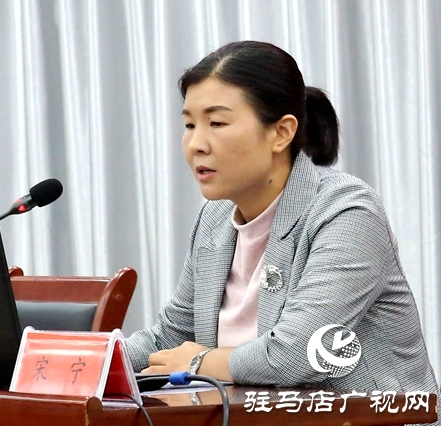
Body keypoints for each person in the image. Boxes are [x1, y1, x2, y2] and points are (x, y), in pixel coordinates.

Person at [124, 40, 439, 419]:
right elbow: (171, 335)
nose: (195, 144)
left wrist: (198, 362)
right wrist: (89, 360)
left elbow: (299, 353)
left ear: (281, 132)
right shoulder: (214, 218)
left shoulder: (346, 211)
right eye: (189, 124)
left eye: (217, 123)